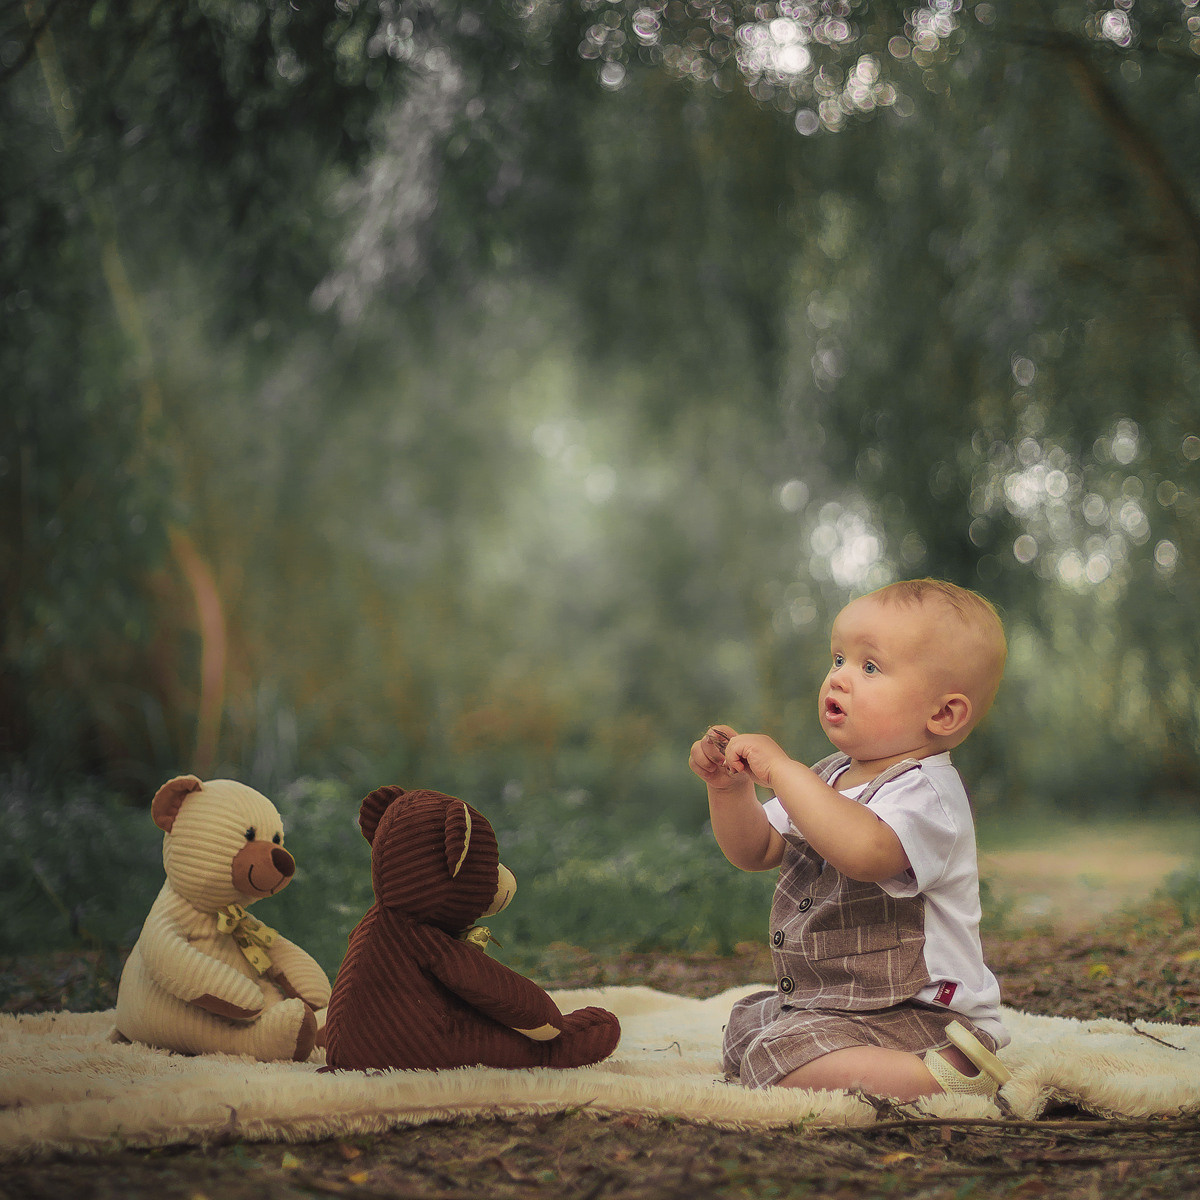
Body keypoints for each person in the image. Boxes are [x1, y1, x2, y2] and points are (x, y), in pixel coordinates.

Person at [689, 578, 1012, 1101]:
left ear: (942, 714)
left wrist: (782, 770)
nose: (839, 679)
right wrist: (730, 790)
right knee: (746, 1030)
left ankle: (945, 1075)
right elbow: (757, 851)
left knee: (775, 1059)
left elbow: (864, 852)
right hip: (838, 1001)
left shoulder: (929, 793)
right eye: (838, 659)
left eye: (869, 667)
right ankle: (842, 1061)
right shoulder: (828, 778)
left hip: (921, 1013)